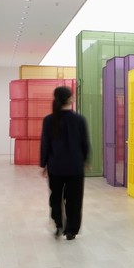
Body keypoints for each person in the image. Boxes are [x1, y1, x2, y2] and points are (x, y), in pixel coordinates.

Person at [39, 86, 90, 240]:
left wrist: (43, 164)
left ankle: (58, 224)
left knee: (55, 198)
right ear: (70, 99)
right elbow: (85, 143)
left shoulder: (49, 120)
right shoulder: (79, 120)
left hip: (55, 167)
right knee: (74, 199)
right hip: (75, 167)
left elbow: (45, 144)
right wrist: (86, 160)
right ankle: (71, 230)